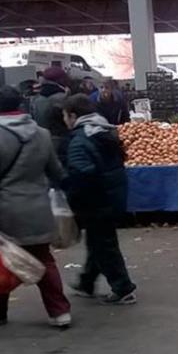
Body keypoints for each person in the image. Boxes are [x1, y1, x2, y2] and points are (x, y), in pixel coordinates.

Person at [0, 86, 72, 327]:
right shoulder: (42, 134)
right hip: (38, 207)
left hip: (6, 210)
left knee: (2, 260)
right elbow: (56, 172)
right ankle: (59, 312)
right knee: (44, 259)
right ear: (22, 105)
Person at [61, 95, 137, 305]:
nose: (65, 121)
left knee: (104, 244)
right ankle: (87, 282)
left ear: (73, 115)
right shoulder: (105, 129)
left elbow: (82, 174)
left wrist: (70, 196)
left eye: (65, 116)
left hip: (96, 201)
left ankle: (123, 288)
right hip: (114, 195)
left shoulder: (80, 140)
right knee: (98, 241)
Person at [30, 66, 69, 157]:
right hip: (60, 141)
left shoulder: (35, 99)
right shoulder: (63, 97)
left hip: (40, 140)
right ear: (60, 80)